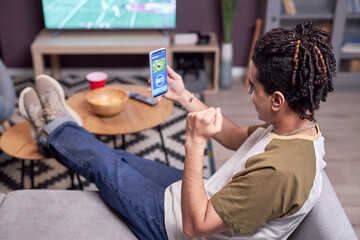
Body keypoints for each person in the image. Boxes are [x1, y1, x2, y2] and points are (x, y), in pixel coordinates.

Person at [19, 21, 335, 240]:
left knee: (106, 166)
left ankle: (51, 127)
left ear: (278, 100)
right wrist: (185, 97)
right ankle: (55, 131)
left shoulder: (280, 171)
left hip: (177, 228)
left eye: (253, 88)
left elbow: (196, 226)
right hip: (205, 197)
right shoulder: (296, 127)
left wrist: (194, 143)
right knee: (121, 158)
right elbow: (235, 135)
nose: (248, 93)